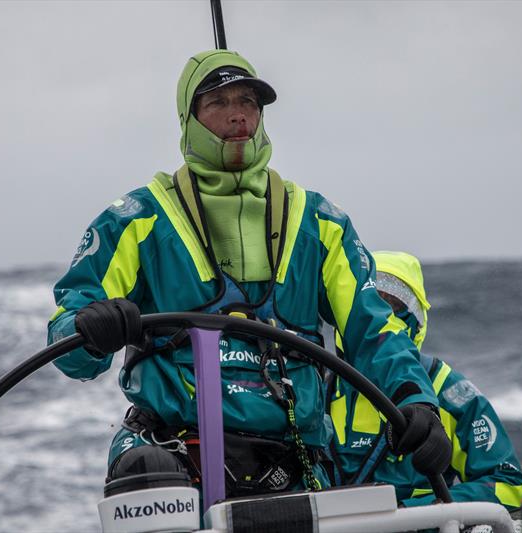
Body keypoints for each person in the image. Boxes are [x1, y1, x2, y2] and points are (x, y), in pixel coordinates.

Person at [47, 50, 451, 497]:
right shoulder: (134, 221)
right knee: (147, 469)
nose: (237, 115)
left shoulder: (320, 223)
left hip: (292, 456)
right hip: (172, 450)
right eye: (218, 102)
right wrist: (90, 329)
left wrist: (415, 400)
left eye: (248, 102)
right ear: (189, 119)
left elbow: (373, 327)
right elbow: (70, 348)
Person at [326, 251, 522, 509]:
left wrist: (421, 513)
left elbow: (508, 484)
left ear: (417, 324)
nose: (382, 319)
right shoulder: (318, 390)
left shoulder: (449, 391)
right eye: (371, 307)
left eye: (394, 306)